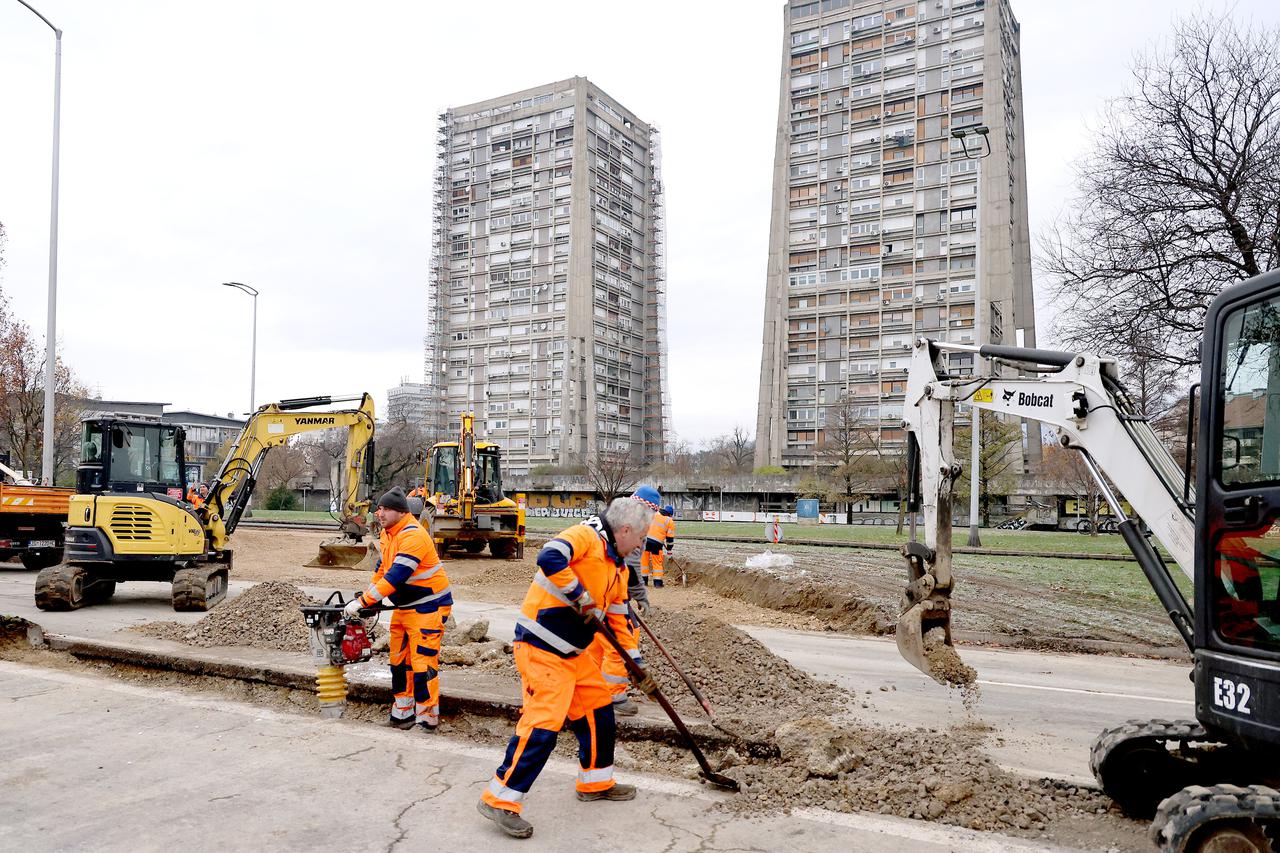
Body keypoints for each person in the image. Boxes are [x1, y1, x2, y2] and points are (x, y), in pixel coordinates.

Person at [477, 495, 654, 839]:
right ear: (626, 529)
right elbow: (549, 556)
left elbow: (618, 620)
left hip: (574, 653)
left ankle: (596, 781)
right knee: (543, 726)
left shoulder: (616, 565)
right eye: (641, 538)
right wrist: (581, 596)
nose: (641, 545)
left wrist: (637, 664)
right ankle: (499, 799)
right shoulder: (585, 536)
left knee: (600, 711)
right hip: (541, 648)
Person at [344, 487, 452, 731]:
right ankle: (402, 713)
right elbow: (383, 568)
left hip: (429, 607)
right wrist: (369, 595)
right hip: (406, 606)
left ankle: (426, 719)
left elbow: (396, 576)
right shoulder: (388, 533)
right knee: (399, 662)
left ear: (401, 512)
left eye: (384, 509)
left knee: (423, 663)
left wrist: (363, 603)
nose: (378, 513)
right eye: (379, 508)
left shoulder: (413, 535)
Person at [589, 486, 660, 717]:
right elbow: (631, 566)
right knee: (623, 636)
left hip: (598, 591)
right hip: (601, 591)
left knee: (597, 640)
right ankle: (614, 694)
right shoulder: (628, 527)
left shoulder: (609, 518)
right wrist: (640, 595)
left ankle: (591, 688)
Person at [641, 504, 676, 588]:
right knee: (657, 563)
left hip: (645, 540)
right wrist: (669, 550)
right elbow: (670, 539)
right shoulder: (669, 521)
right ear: (670, 514)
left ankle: (643, 581)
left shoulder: (654, 514)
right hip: (656, 544)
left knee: (644, 562)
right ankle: (657, 583)